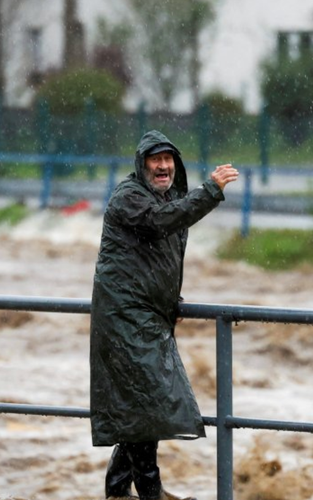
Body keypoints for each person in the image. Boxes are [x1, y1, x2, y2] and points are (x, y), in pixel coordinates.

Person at [90, 130, 240, 500]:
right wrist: (210, 191)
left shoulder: (165, 196)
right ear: (142, 166)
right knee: (150, 402)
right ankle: (150, 492)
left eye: (168, 159)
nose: (163, 166)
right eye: (155, 160)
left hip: (146, 316)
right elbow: (161, 222)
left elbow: (156, 257)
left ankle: (118, 490)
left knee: (142, 404)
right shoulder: (129, 197)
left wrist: (171, 301)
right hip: (125, 317)